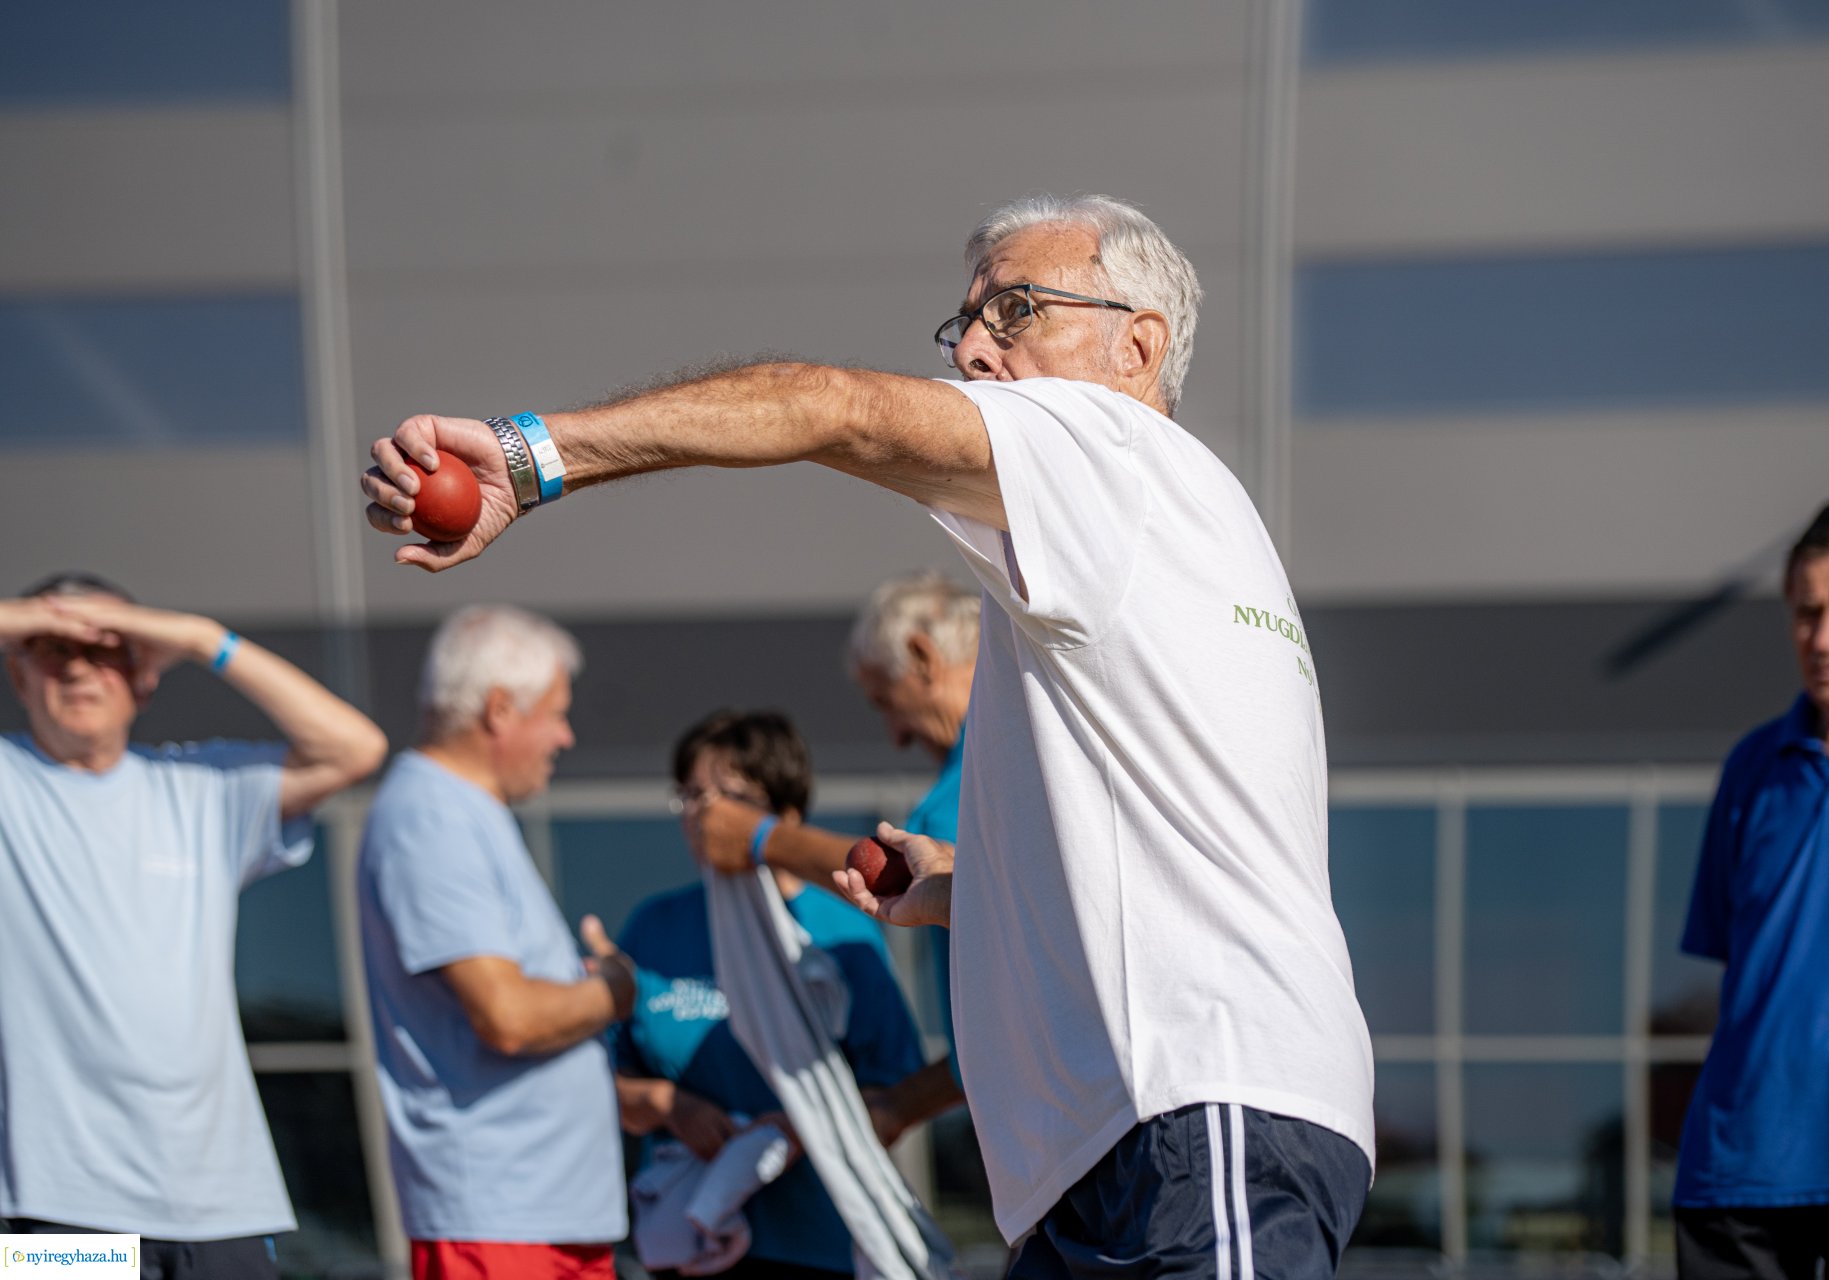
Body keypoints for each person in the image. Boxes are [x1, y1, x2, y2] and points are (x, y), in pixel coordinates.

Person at [363, 193, 1376, 1277]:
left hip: (1196, 1101)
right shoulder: (1156, 534)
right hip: (1126, 1137)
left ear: (1139, 346)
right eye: (968, 319)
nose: (978, 346)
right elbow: (1172, 853)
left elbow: (831, 407)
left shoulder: (1112, 449)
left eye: (1019, 307)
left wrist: (530, 455)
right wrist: (961, 882)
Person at [0, 572, 388, 1277]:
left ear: (146, 675)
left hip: (222, 1208)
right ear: (17, 670)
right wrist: (21, 617)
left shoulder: (201, 787)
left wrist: (200, 637)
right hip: (58, 1211)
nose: (80, 665)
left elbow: (354, 748)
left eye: (110, 647)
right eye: (52, 647)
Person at [1674, 499, 1829, 1279]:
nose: (1824, 639)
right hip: (1738, 1173)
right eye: (1806, 613)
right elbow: (1730, 958)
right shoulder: (1753, 768)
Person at [357, 605, 632, 1280]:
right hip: (503, 1228)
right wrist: (616, 991)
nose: (565, 736)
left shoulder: (460, 811)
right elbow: (507, 1017)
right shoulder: (432, 818)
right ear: (500, 709)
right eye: (556, 712)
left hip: (531, 1219)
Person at [611, 709, 925, 1279]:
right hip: (687, 1242)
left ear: (785, 815)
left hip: (816, 1244)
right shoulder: (654, 927)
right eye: (690, 795)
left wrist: (803, 1127)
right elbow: (604, 1080)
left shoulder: (839, 931)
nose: (704, 815)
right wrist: (668, 1105)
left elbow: (896, 1088)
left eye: (728, 796)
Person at [685, 572, 977, 1142]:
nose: (894, 735)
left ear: (923, 657)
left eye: (885, 702)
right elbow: (997, 1025)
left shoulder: (981, 779)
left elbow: (894, 879)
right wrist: (895, 1107)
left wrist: (759, 837)